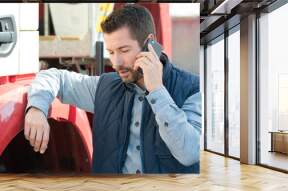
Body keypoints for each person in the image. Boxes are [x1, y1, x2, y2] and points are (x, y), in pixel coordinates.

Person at [24, 4, 201, 174]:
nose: (116, 63)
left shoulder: (193, 89)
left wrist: (156, 90)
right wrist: (36, 108)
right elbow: (54, 76)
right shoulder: (104, 87)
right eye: (111, 52)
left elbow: (189, 153)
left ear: (150, 44)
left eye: (123, 50)